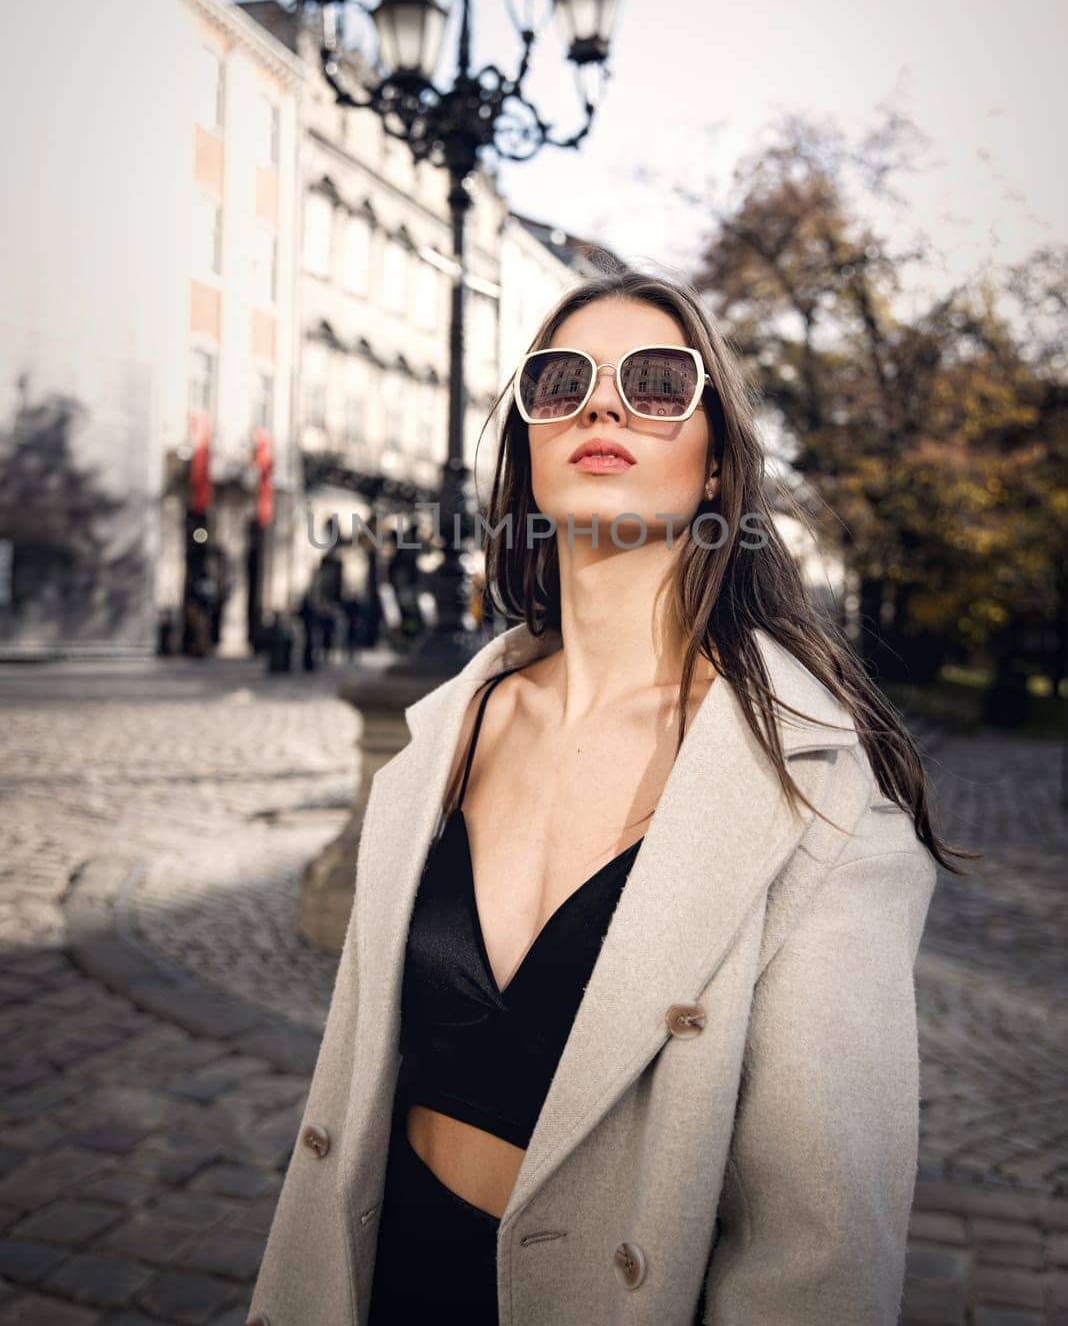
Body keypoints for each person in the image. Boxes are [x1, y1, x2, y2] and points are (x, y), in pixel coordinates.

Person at [246, 273, 974, 1326]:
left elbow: (817, 1249)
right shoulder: (443, 737)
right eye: (561, 381)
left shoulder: (816, 787)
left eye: (657, 380)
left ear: (716, 454)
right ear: (530, 447)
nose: (602, 404)